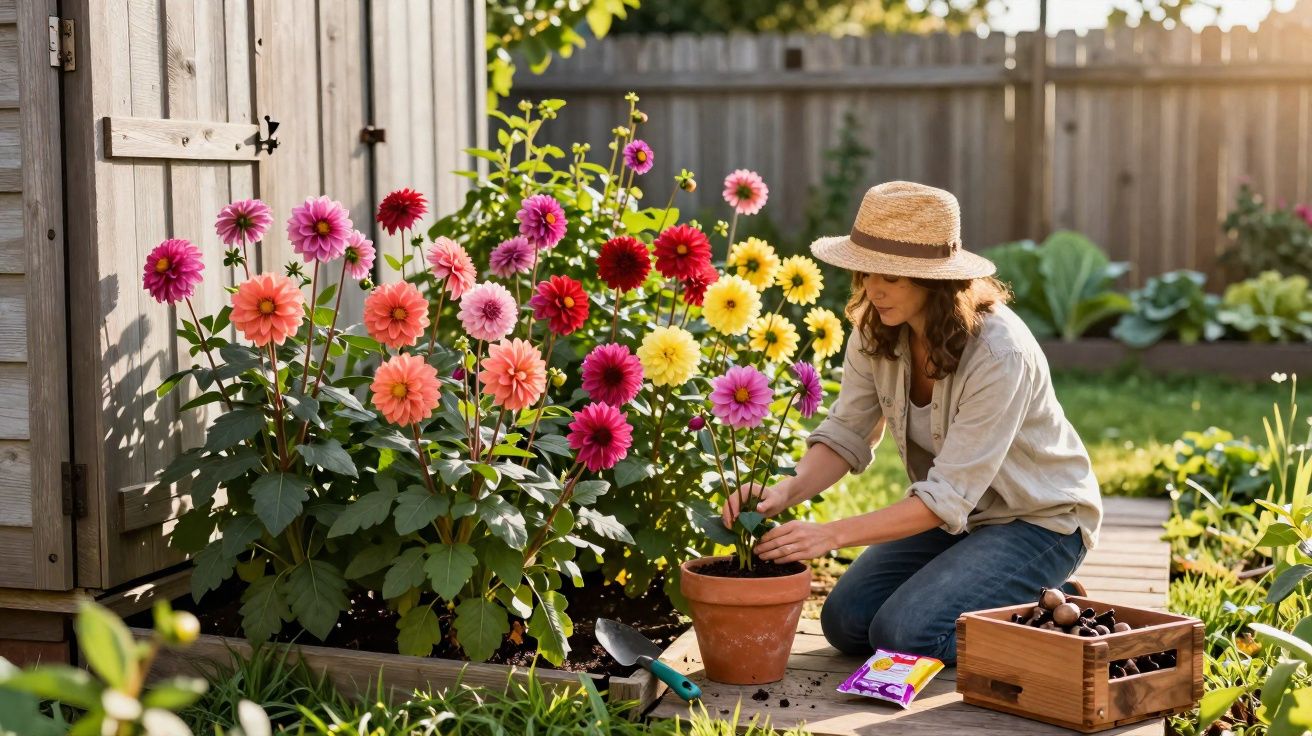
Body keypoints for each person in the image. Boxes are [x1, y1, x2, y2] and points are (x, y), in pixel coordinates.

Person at [721, 181, 1102, 665]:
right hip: (956, 519)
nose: (873, 289)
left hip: (1037, 520)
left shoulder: (1000, 353)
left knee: (905, 635)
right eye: (866, 272)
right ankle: (1002, 591)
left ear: (936, 280)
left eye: (892, 277)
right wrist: (786, 492)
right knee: (846, 622)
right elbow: (846, 434)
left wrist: (831, 534)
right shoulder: (876, 326)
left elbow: (947, 496)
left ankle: (1044, 605)